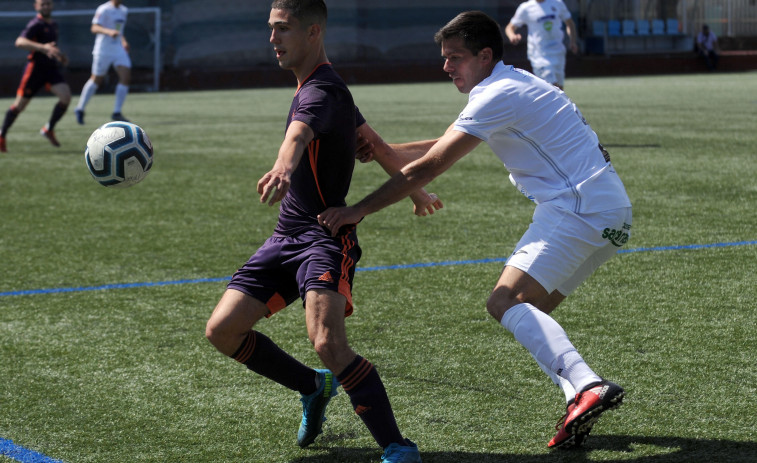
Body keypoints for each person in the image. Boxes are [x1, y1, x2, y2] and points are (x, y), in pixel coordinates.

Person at [318, 10, 632, 450]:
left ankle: (587, 386)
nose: (446, 67)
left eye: (456, 58)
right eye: (445, 57)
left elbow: (432, 164)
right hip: (611, 210)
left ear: (485, 56)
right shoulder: (513, 82)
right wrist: (384, 149)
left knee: (504, 301)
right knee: (533, 311)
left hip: (577, 205)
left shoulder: (496, 94)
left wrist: (358, 209)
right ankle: (577, 396)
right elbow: (448, 141)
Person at [204, 2, 438, 462]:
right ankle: (313, 386)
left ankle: (396, 445)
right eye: (270, 30)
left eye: (282, 30)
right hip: (286, 235)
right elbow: (380, 148)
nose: (273, 39)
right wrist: (417, 191)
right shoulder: (328, 92)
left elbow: (297, 136)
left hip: (325, 238)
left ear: (313, 32)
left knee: (328, 341)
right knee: (221, 330)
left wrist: (281, 167)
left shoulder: (320, 93)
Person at [0, 0, 71, 153]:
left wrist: (60, 56)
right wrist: (42, 48)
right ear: (36, 6)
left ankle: (48, 129)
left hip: (51, 69)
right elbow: (19, 42)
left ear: (52, 5)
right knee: (19, 106)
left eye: (48, 3)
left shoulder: (54, 25)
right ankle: (2, 135)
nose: (46, 6)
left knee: (66, 97)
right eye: (42, 4)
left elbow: (51, 48)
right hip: (35, 70)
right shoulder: (35, 24)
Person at [74, 0, 131, 125]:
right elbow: (94, 27)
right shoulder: (104, 9)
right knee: (96, 80)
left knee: (125, 77)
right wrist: (108, 31)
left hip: (118, 49)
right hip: (103, 50)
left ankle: (116, 112)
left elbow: (119, 30)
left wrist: (123, 40)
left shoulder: (124, 10)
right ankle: (80, 108)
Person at [504, 0, 578, 90]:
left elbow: (569, 23)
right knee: (552, 87)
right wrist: (512, 36)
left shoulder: (557, 3)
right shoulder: (525, 8)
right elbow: (510, 27)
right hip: (539, 56)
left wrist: (573, 41)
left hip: (558, 53)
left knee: (559, 89)